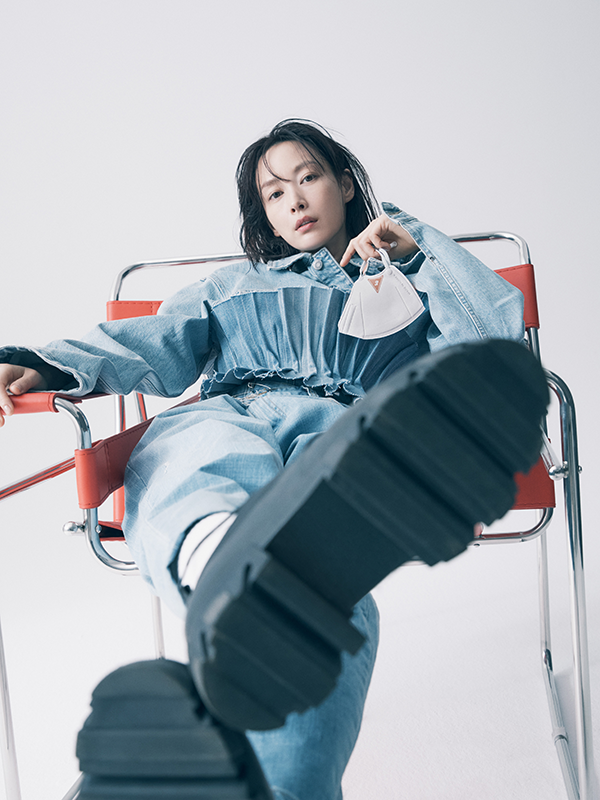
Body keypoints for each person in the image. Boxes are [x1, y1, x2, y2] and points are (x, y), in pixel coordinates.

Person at [0, 120, 547, 800]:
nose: (295, 200)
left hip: (348, 428)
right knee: (209, 468)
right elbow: (145, 341)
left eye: (308, 177)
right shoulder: (234, 283)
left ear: (345, 183)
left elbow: (494, 348)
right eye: (275, 193)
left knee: (325, 567)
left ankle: (254, 627)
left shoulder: (406, 278)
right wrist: (44, 365)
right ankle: (222, 562)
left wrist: (418, 252)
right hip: (231, 410)